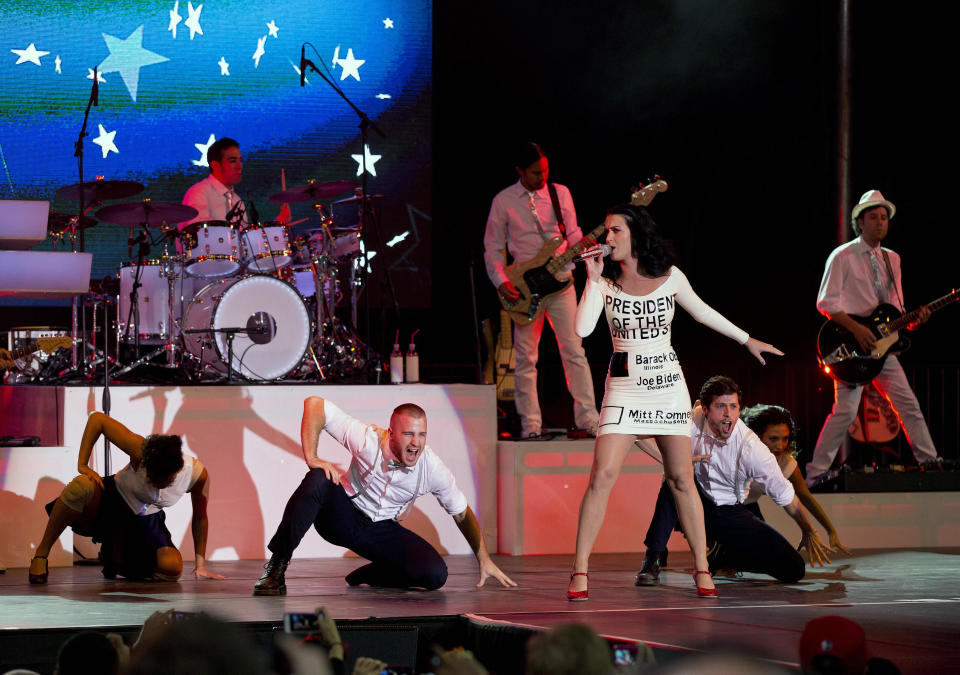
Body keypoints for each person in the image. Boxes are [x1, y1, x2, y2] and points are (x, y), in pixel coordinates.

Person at [567, 204, 783, 599]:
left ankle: (702, 566)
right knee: (601, 476)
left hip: (667, 385)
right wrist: (591, 280)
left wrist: (746, 339)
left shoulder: (670, 277)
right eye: (607, 232)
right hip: (624, 387)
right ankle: (579, 572)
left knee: (682, 479)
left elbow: (703, 313)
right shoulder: (605, 281)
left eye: (614, 231)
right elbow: (581, 329)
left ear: (635, 233)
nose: (607, 238)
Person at [253, 396, 516, 595]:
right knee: (319, 478)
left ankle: (374, 572)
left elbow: (461, 512)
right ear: (391, 434)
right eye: (409, 434)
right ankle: (276, 567)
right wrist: (312, 457)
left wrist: (484, 558)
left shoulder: (432, 468)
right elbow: (314, 404)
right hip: (341, 518)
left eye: (422, 435)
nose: (416, 442)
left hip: (380, 531)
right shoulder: (368, 439)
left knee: (435, 575)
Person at [636, 377, 833, 585]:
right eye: (721, 406)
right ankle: (652, 559)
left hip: (729, 512)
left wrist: (808, 529)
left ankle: (725, 556)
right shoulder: (690, 422)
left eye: (733, 406)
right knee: (675, 477)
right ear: (705, 409)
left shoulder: (752, 448)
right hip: (692, 501)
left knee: (794, 569)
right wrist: (675, 459)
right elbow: (639, 434)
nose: (728, 414)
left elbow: (787, 497)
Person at [806, 189, 938, 487]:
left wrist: (913, 321)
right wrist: (857, 329)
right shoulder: (842, 256)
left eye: (884, 218)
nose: (880, 222)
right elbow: (826, 303)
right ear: (860, 222)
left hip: (884, 347)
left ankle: (929, 463)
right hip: (852, 345)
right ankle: (815, 475)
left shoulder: (893, 259)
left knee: (909, 405)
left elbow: (896, 311)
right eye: (873, 218)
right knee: (846, 411)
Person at [482, 142, 600, 439]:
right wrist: (502, 281)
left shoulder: (560, 193)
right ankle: (530, 424)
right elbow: (493, 248)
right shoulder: (504, 201)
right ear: (520, 170)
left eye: (546, 170)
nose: (542, 176)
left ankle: (588, 419)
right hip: (525, 288)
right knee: (526, 358)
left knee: (574, 351)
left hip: (561, 284)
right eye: (536, 172)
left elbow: (571, 232)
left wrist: (583, 244)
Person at [27, 412, 224, 584]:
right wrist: (83, 465)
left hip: (146, 521)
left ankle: (116, 559)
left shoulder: (196, 475)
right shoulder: (140, 449)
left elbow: (200, 517)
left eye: (163, 480)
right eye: (152, 477)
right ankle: (41, 555)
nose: (156, 484)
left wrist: (201, 564)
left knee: (171, 568)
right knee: (80, 485)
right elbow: (98, 419)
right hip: (112, 501)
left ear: (175, 472)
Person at [180, 137, 247, 229]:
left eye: (241, 161)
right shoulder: (199, 193)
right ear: (215, 165)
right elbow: (198, 232)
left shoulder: (238, 201)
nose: (240, 166)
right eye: (233, 161)